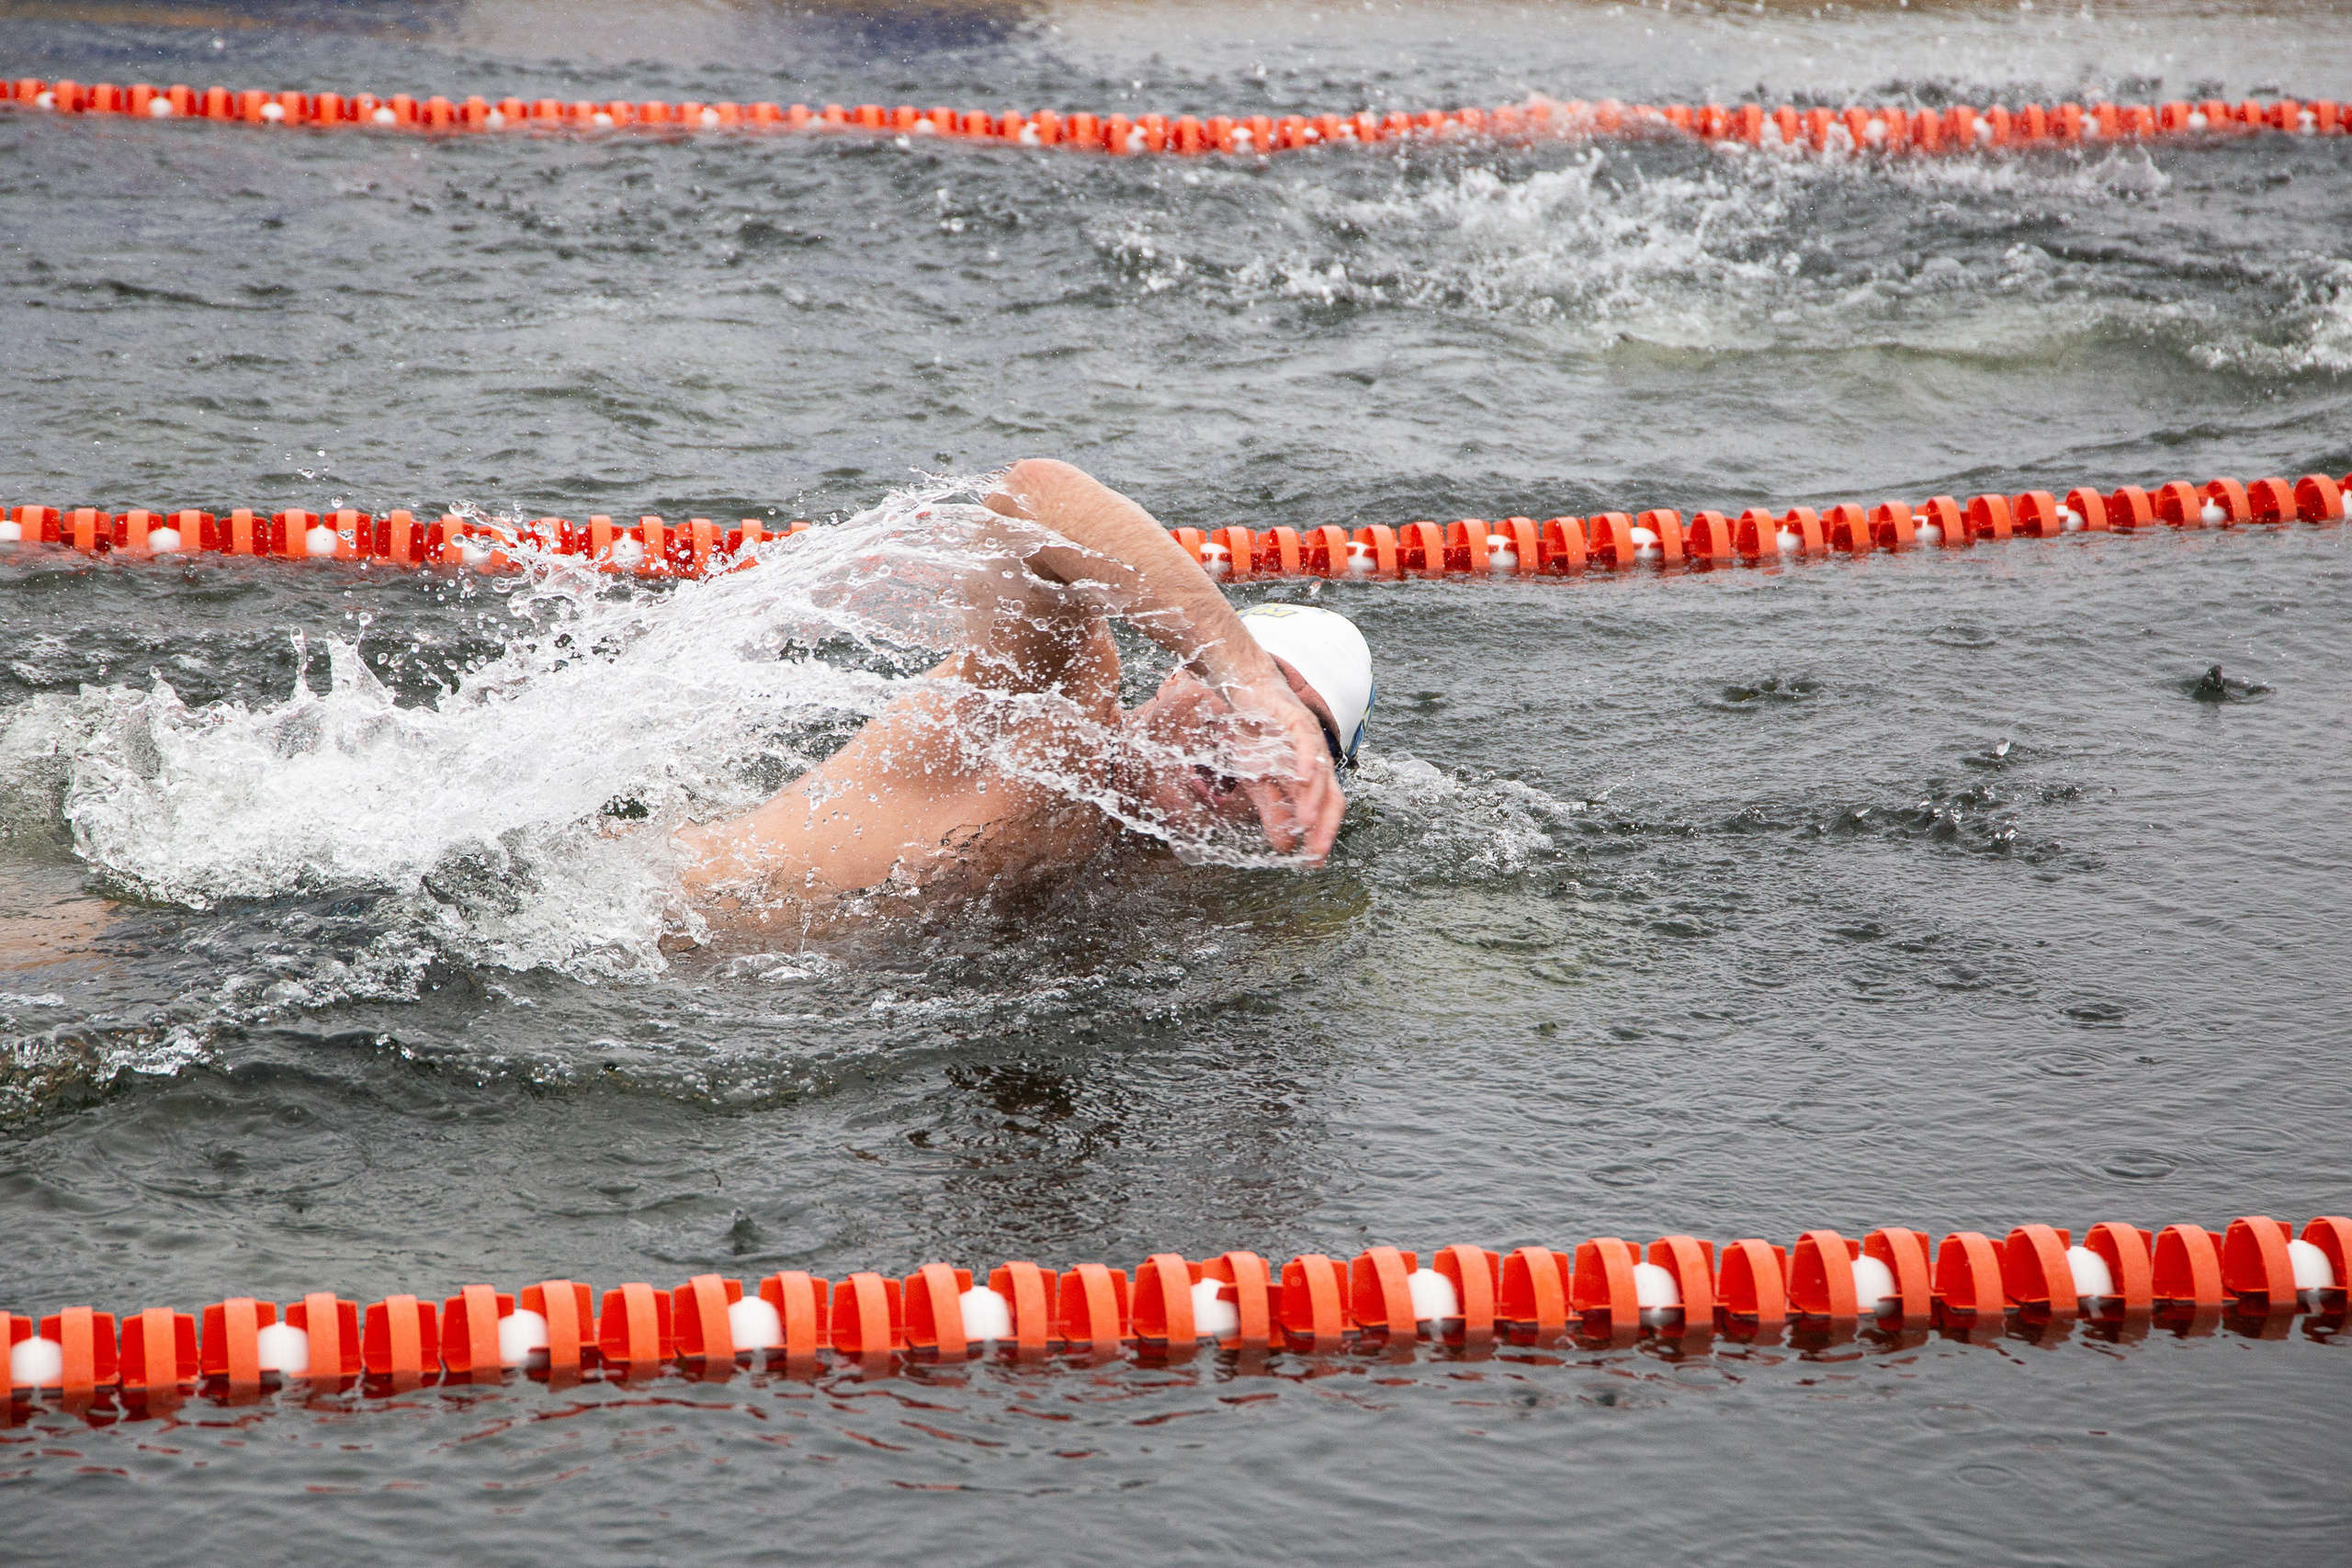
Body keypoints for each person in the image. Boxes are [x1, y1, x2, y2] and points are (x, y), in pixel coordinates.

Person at [675, 459, 1373, 919]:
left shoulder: (1200, 892)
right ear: (1178, 671)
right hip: (648, 930)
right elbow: (1031, 499)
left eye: (1306, 733)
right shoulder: (1052, 706)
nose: (1258, 743)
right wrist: (1249, 678)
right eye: (1261, 706)